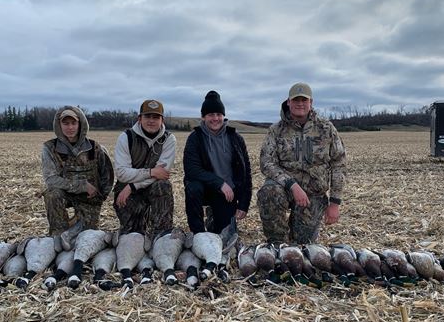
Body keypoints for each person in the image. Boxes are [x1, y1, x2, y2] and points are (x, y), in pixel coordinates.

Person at [258, 82, 346, 245]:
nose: (300, 104)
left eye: (304, 100)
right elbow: (266, 163)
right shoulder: (276, 130)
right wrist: (291, 184)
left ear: (311, 102)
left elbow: (338, 163)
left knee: (303, 244)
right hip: (284, 188)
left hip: (314, 192)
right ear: (288, 102)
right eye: (296, 100)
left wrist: (335, 203)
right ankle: (277, 243)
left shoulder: (326, 128)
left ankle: (297, 239)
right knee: (269, 192)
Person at [183, 90, 252, 234]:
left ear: (223, 116)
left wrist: (244, 204)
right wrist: (219, 183)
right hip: (206, 188)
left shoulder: (235, 138)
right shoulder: (195, 138)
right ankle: (198, 233)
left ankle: (213, 217)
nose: (215, 118)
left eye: (219, 114)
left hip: (227, 194)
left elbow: (246, 172)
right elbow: (191, 170)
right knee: (193, 187)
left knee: (224, 234)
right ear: (203, 117)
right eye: (210, 114)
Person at [42, 106, 114, 235]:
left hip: (89, 197)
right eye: (65, 123)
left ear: (80, 124)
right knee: (52, 194)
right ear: (59, 125)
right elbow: (51, 180)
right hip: (65, 193)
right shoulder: (50, 148)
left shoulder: (95, 147)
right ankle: (58, 233)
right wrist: (82, 186)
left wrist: (100, 197)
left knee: (87, 235)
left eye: (73, 123)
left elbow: (107, 175)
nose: (70, 127)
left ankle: (77, 223)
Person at [113, 99, 176, 239]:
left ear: (162, 120)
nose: (151, 121)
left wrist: (133, 186)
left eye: (156, 117)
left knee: (163, 185)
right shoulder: (126, 137)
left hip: (142, 187)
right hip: (126, 190)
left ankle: (161, 233)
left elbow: (162, 174)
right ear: (139, 118)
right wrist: (151, 172)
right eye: (147, 116)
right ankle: (137, 225)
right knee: (133, 235)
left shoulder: (169, 139)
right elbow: (122, 174)